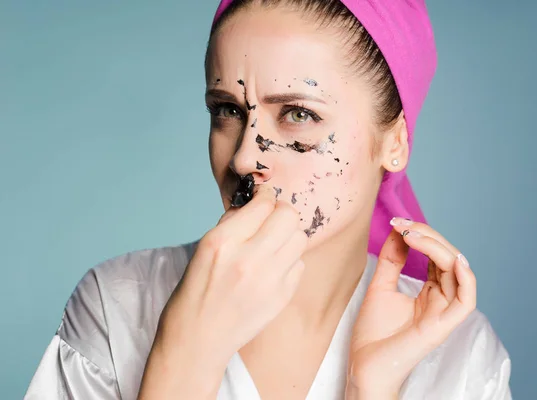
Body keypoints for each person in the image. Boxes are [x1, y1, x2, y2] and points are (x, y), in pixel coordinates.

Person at [25, 0, 512, 399]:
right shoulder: (116, 305)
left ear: (395, 142)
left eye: (298, 114)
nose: (242, 159)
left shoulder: (458, 356)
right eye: (227, 110)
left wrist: (371, 391)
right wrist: (187, 353)